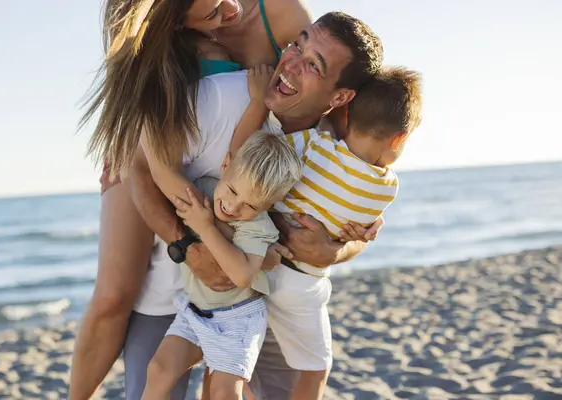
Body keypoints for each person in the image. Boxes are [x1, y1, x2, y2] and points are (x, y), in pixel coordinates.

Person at [130, 11, 385, 399]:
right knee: (155, 376)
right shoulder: (220, 100)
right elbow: (142, 171)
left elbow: (361, 227)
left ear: (340, 97)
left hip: (266, 304)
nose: (292, 63)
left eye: (313, 65)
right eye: (298, 44)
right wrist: (187, 244)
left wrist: (339, 249)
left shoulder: (336, 147)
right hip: (179, 291)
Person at [69, 1, 314, 399]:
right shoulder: (152, 38)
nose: (231, 6)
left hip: (229, 182)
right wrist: (188, 239)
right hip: (152, 163)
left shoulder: (279, 13)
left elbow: (333, 97)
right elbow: (134, 114)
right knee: (113, 296)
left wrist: (349, 231)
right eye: (214, 6)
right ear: (170, 17)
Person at [260, 66, 424, 399]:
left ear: (346, 112)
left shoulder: (312, 144)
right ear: (400, 138)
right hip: (302, 285)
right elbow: (354, 232)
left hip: (261, 261)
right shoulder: (386, 188)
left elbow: (274, 143)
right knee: (316, 367)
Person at [141, 132, 302, 399]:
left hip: (238, 319)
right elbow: (160, 178)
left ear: (269, 205)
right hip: (195, 309)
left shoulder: (258, 227)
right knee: (159, 368)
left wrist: (206, 227)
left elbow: (241, 276)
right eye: (232, 190)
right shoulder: (202, 188)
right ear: (225, 165)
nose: (232, 206)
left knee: (223, 393)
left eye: (250, 204)